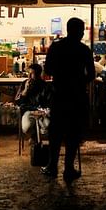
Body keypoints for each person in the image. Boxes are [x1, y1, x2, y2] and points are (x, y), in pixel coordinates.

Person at [41, 17, 95, 182]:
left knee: (56, 132)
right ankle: (69, 168)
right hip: (77, 96)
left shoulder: (56, 47)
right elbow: (91, 74)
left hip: (60, 94)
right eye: (82, 30)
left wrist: (61, 75)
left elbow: (48, 69)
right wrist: (79, 82)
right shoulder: (84, 50)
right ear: (78, 31)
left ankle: (52, 166)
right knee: (73, 132)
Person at [15, 63, 51, 142]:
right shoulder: (25, 84)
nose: (29, 76)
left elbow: (48, 102)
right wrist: (25, 90)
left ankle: (39, 139)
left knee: (47, 126)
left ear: (38, 74)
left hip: (41, 111)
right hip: (29, 111)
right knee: (26, 128)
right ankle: (34, 136)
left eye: (32, 74)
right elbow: (17, 102)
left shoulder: (45, 86)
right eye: (29, 73)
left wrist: (42, 110)